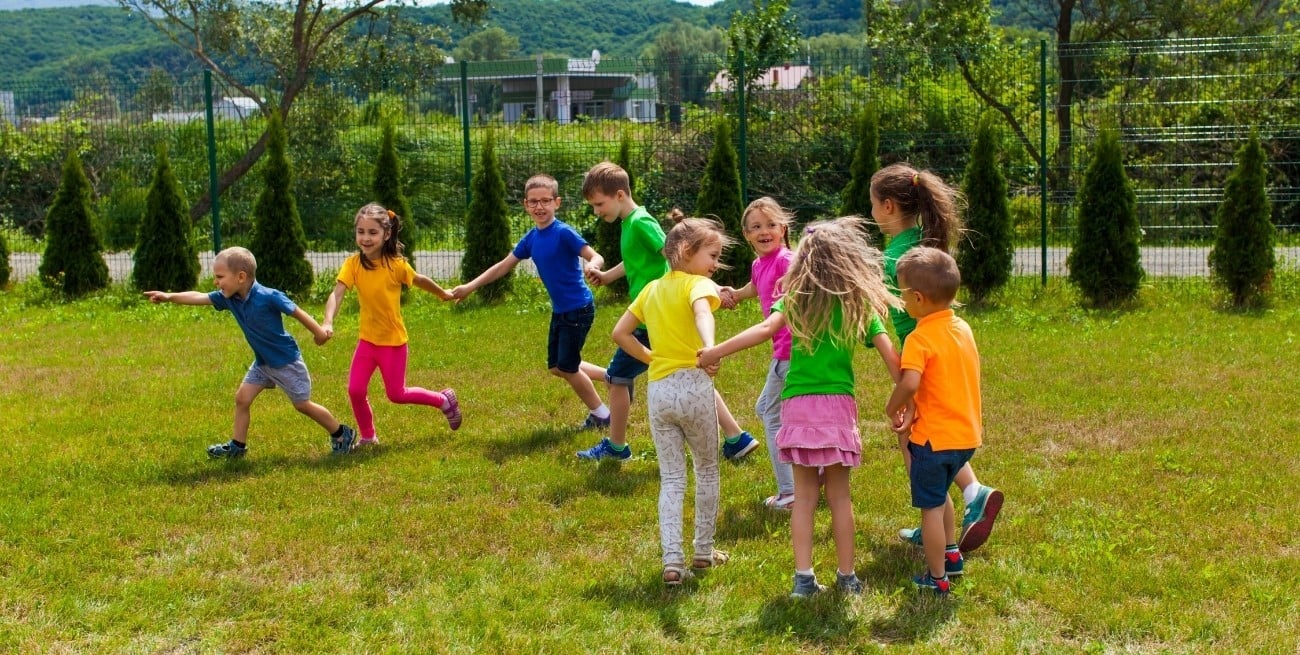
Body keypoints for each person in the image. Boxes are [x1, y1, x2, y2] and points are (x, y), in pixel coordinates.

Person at [699, 216, 901, 598]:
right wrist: (907, 397)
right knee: (839, 497)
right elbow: (892, 359)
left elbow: (763, 331)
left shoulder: (794, 299)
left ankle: (803, 579)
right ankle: (847, 578)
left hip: (797, 406)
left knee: (804, 498)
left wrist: (715, 351)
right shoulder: (857, 303)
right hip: (837, 407)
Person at [576, 161, 757, 463]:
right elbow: (636, 261)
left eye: (599, 204)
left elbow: (677, 255)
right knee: (689, 373)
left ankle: (616, 447)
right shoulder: (630, 223)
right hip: (652, 313)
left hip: (653, 317)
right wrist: (607, 277)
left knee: (617, 378)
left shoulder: (640, 222)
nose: (596, 211)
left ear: (619, 195)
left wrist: (708, 286)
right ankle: (736, 437)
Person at [871, 162, 1002, 553]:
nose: (872, 212)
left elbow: (880, 316)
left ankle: (939, 527)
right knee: (940, 440)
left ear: (888, 206)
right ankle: (965, 499)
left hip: (920, 357)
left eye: (873, 205)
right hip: (946, 348)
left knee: (919, 447)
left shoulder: (893, 261)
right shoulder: (924, 241)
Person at [611, 217, 734, 585]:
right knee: (707, 469)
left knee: (672, 478)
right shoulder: (698, 285)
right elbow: (701, 312)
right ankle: (703, 552)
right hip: (694, 388)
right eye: (712, 255)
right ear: (686, 252)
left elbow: (620, 333)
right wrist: (709, 348)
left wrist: (651, 358)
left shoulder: (651, 289)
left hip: (660, 391)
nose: (715, 265)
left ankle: (672, 561)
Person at [143, 246, 356, 458]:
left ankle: (341, 433)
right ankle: (237, 446)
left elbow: (297, 312)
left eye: (220, 277)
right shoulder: (229, 298)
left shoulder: (269, 296)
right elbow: (199, 297)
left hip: (285, 362)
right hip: (262, 363)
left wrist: (319, 332)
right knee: (242, 399)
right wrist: (169, 296)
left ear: (241, 277)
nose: (216, 282)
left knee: (302, 405)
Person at [451, 174, 612, 429]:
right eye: (534, 201)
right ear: (526, 205)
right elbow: (503, 266)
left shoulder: (563, 233)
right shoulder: (531, 238)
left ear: (557, 203)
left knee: (568, 367)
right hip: (562, 311)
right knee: (557, 367)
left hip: (578, 309)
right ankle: (613, 377)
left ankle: (602, 416)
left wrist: (593, 265)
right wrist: (470, 287)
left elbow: (595, 255)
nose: (540, 206)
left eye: (546, 201)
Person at [883, 247, 983, 595]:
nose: (900, 299)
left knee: (930, 509)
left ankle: (937, 577)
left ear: (918, 298)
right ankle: (952, 554)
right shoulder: (963, 328)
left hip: (931, 440)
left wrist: (892, 406)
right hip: (964, 438)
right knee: (941, 495)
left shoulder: (919, 337)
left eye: (901, 293)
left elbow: (910, 383)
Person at [322, 203, 460, 446]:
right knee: (355, 390)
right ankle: (368, 436)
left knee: (397, 394)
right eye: (361, 232)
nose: (365, 238)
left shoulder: (396, 265)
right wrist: (327, 320)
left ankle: (443, 400)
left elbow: (419, 280)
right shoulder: (353, 264)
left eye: (372, 232)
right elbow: (337, 293)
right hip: (367, 342)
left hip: (393, 343)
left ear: (386, 234)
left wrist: (443, 293)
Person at [717, 197, 797, 510]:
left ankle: (790, 492)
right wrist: (735, 295)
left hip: (791, 351)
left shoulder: (787, 261)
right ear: (747, 234)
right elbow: (756, 285)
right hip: (784, 351)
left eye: (771, 225)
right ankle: (812, 472)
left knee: (770, 414)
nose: (764, 231)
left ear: (783, 228)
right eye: (756, 227)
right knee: (767, 408)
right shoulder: (759, 263)